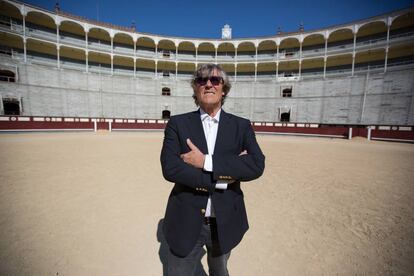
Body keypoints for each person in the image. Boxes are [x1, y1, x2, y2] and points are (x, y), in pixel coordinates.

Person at [160, 63, 265, 276]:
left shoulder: (241, 125)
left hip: (225, 220)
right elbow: (170, 168)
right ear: (195, 88)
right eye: (202, 80)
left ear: (223, 88)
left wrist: (205, 161)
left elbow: (256, 164)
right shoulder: (177, 123)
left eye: (215, 80)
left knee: (220, 271)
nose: (208, 84)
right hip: (185, 219)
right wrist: (226, 175)